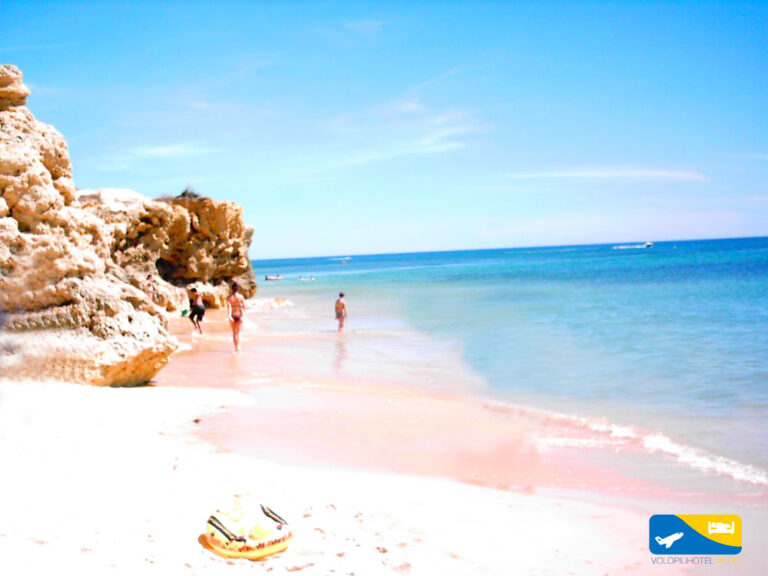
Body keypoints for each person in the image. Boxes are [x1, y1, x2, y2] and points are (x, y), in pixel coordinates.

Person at [227, 282, 246, 352]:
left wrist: (229, 316)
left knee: (234, 333)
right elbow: (244, 307)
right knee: (238, 332)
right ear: (238, 289)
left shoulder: (229, 298)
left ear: (232, 289)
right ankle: (238, 347)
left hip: (232, 315)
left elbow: (229, 308)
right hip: (239, 315)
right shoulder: (241, 297)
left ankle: (236, 348)